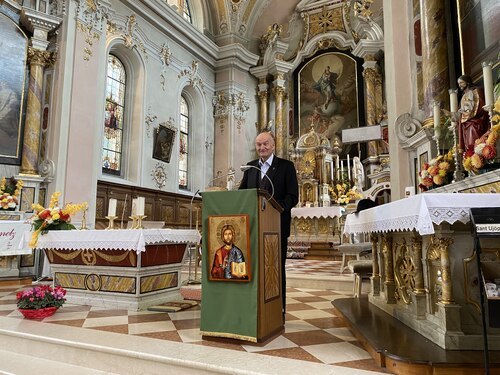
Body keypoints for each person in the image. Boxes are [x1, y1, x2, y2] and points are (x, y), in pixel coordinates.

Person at [239, 131, 299, 316]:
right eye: (258, 145)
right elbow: (242, 194)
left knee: (275, 268)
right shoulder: (249, 168)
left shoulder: (286, 166)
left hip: (277, 227)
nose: (262, 148)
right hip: (253, 228)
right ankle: (253, 308)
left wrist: (277, 209)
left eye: (265, 144)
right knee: (253, 267)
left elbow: (292, 196)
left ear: (273, 145)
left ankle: (277, 309)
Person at [456, 75, 490, 153]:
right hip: (465, 125)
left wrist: (466, 113)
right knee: (469, 147)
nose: (459, 85)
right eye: (458, 83)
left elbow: (480, 106)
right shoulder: (463, 97)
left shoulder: (476, 91)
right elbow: (461, 112)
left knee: (475, 144)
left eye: (461, 82)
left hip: (474, 122)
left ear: (467, 82)